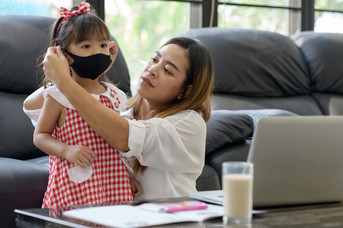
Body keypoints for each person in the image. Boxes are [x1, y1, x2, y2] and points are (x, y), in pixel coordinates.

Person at [25, 24, 214, 200]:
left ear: (186, 90)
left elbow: (124, 136)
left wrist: (65, 81)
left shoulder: (188, 124)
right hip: (124, 226)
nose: (153, 70)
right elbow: (32, 107)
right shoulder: (120, 108)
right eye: (154, 59)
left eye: (167, 70)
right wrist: (86, 73)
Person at [31, 2, 135, 221]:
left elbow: (122, 141)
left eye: (103, 45)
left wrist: (130, 176)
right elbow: (40, 136)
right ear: (64, 54)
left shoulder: (116, 96)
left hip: (114, 185)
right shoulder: (58, 96)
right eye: (86, 46)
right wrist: (66, 150)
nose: (97, 52)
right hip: (73, 188)